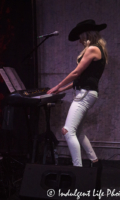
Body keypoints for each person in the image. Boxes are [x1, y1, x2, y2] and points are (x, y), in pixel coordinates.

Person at [47, 19, 108, 167]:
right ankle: (94, 161)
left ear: (86, 35)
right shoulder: (97, 48)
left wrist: (57, 86)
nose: (79, 41)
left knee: (67, 131)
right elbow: (81, 78)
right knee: (78, 131)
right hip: (87, 93)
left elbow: (76, 73)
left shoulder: (92, 49)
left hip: (85, 94)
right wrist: (61, 90)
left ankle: (77, 169)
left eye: (80, 37)